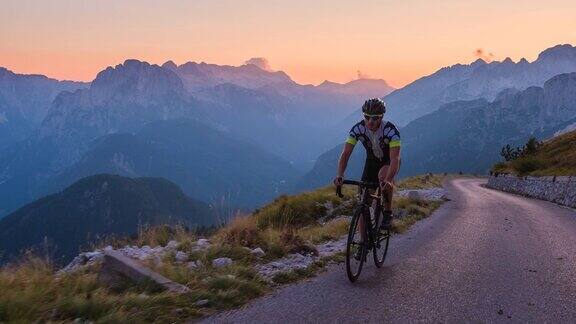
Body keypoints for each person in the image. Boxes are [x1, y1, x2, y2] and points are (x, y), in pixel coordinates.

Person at [333, 98, 401, 232]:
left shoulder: (391, 131)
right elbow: (345, 154)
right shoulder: (358, 129)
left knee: (382, 178)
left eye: (375, 118)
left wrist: (388, 180)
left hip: (389, 161)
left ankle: (387, 212)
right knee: (364, 203)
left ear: (382, 117)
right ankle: (362, 246)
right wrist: (340, 175)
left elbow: (395, 159)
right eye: (367, 117)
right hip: (372, 162)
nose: (370, 121)